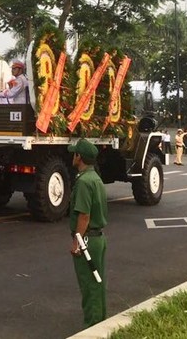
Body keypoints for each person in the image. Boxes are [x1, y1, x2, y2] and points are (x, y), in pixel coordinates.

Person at [68, 138, 108, 328]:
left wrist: (77, 242)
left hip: (87, 241)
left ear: (80, 157)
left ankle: (92, 326)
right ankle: (100, 320)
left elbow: (84, 215)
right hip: (97, 238)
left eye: (74, 153)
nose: (72, 156)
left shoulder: (84, 182)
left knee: (89, 286)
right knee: (97, 283)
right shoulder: (95, 178)